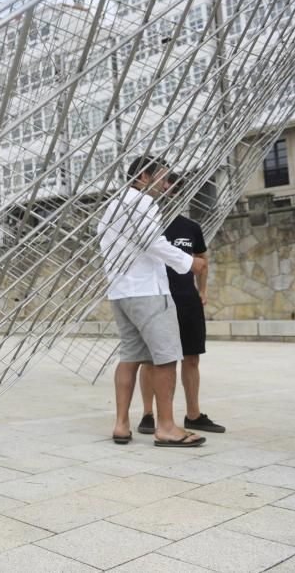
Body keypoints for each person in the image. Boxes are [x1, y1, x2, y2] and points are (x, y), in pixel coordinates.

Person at [98, 155, 208, 447]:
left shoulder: (113, 205)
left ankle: (121, 425)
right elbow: (152, 241)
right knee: (166, 357)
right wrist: (189, 262)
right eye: (163, 176)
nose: (167, 183)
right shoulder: (142, 202)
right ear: (144, 178)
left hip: (121, 292)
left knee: (130, 357)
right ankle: (167, 427)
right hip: (148, 291)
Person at [137, 174, 225, 435]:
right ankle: (148, 414)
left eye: (175, 191)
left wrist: (203, 290)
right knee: (151, 359)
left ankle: (193, 414)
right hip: (157, 299)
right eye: (166, 189)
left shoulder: (190, 227)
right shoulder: (147, 225)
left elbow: (202, 260)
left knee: (192, 358)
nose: (170, 195)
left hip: (187, 301)